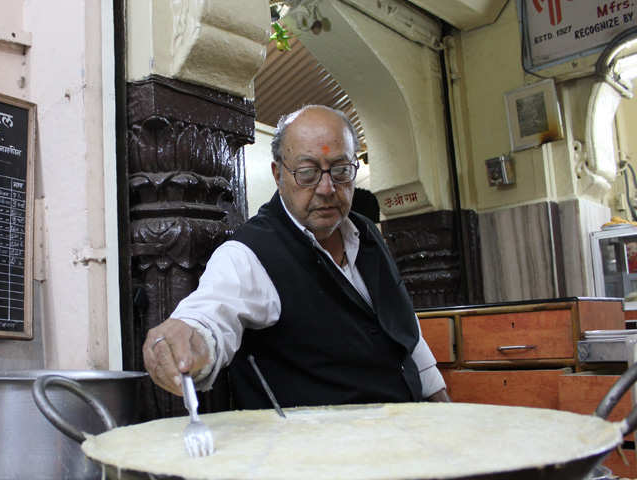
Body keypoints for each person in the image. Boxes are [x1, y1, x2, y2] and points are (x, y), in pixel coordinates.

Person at [143, 105, 449, 407]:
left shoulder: (365, 232)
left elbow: (403, 327)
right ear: (278, 174)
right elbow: (211, 315)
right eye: (307, 173)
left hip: (401, 432)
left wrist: (440, 399)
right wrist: (190, 339)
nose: (327, 188)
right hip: (313, 449)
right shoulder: (249, 254)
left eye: (341, 171)